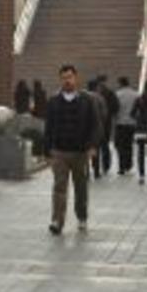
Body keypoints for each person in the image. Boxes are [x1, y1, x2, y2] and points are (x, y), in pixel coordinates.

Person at [45, 65, 100, 234]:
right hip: (59, 152)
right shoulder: (53, 101)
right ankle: (57, 221)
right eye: (64, 77)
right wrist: (47, 151)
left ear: (76, 78)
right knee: (59, 187)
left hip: (80, 152)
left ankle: (82, 216)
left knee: (80, 187)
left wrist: (92, 146)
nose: (67, 80)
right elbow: (48, 127)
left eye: (70, 77)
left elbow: (95, 125)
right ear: (60, 79)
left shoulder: (87, 100)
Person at [114, 76, 139, 175]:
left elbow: (115, 108)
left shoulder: (117, 94)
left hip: (120, 123)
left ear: (120, 83)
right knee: (129, 145)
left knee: (120, 146)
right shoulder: (136, 94)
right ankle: (128, 164)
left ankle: (121, 166)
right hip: (132, 123)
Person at [96, 75, 119, 175]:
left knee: (98, 145)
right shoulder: (110, 93)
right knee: (103, 145)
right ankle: (105, 166)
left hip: (97, 123)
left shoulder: (93, 93)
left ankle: (97, 166)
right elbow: (115, 107)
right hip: (105, 122)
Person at [86, 80, 109, 180]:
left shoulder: (82, 96)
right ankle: (96, 170)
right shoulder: (100, 97)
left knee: (84, 149)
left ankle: (86, 171)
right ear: (96, 87)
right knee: (96, 149)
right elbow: (105, 114)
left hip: (84, 128)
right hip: (96, 127)